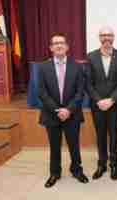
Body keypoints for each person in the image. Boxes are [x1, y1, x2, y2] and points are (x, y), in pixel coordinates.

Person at [38, 33, 89, 188]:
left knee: (74, 144)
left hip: (72, 114)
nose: (59, 45)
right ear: (51, 48)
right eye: (55, 43)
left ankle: (76, 170)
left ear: (66, 47)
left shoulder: (78, 66)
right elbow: (42, 92)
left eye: (62, 42)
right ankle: (54, 173)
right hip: (51, 114)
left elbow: (80, 92)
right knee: (54, 145)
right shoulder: (43, 67)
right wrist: (56, 110)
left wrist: (68, 110)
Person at [86, 26, 117, 181]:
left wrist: (111, 100)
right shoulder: (91, 57)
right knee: (100, 135)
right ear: (99, 37)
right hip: (97, 105)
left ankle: (114, 165)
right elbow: (88, 83)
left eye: (109, 35)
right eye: (103, 35)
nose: (106, 38)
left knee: (113, 135)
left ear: (113, 37)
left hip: (114, 104)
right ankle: (101, 164)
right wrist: (99, 100)